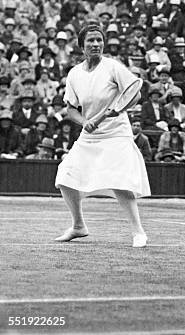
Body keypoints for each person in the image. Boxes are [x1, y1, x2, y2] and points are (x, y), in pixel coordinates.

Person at [54, 24, 150, 248]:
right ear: (81, 46)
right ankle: (78, 226)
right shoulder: (74, 73)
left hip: (117, 133)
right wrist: (84, 122)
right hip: (90, 137)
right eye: (90, 41)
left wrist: (117, 109)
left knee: (120, 180)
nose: (95, 44)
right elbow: (71, 109)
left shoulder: (113, 67)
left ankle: (138, 232)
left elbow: (135, 91)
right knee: (65, 176)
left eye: (99, 40)